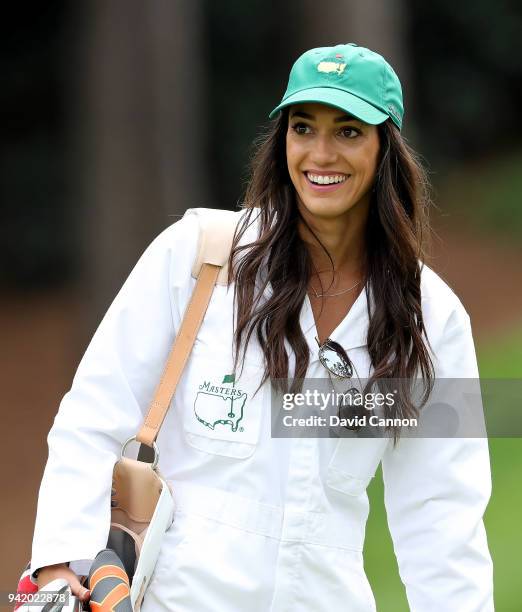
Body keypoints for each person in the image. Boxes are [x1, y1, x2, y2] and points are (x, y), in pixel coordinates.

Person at [31, 43, 494, 611]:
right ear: (283, 142)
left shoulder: (432, 318)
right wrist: (55, 572)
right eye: (303, 127)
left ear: (386, 149)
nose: (320, 153)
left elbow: (443, 516)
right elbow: (94, 416)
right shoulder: (198, 257)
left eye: (348, 131)